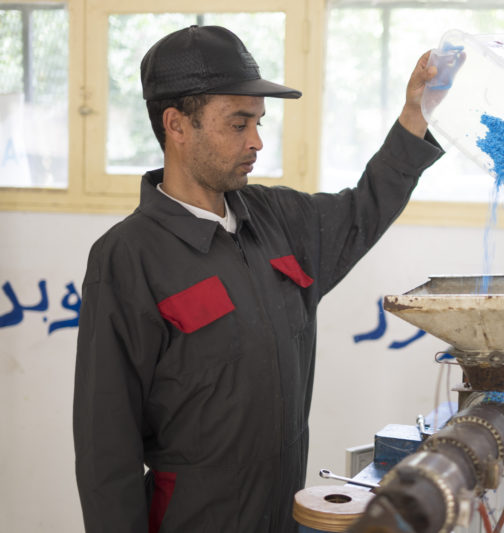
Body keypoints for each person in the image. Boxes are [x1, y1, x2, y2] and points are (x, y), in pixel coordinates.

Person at [73, 25, 443, 533]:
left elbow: (363, 210)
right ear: (177, 125)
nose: (257, 141)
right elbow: (104, 451)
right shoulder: (128, 258)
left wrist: (415, 114)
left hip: (283, 517)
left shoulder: (278, 220)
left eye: (259, 122)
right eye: (238, 124)